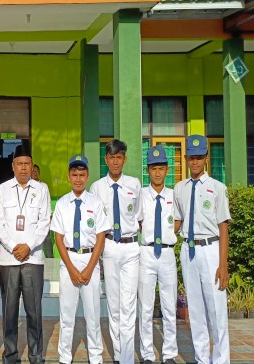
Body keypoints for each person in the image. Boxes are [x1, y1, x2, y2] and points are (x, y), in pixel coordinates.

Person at [174, 135, 231, 364]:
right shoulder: (180, 188)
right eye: (191, 157)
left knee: (216, 310)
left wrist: (223, 264)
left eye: (199, 157)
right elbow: (177, 221)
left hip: (210, 248)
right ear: (186, 158)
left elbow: (223, 226)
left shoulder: (217, 188)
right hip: (188, 250)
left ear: (206, 158)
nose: (195, 162)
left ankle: (221, 360)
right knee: (196, 311)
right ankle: (201, 359)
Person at [0, 144, 51, 364]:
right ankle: (10, 355)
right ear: (13, 166)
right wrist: (12, 247)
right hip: (9, 260)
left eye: (27, 164)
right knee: (9, 312)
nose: (24, 168)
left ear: (32, 165)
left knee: (34, 311)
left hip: (33, 259)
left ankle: (36, 355)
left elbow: (44, 223)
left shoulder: (41, 189)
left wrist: (29, 246)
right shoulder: (3, 189)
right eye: (20, 164)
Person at [52, 154, 108, 364]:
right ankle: (65, 357)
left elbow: (100, 237)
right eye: (74, 175)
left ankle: (96, 357)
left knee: (93, 315)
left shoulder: (95, 202)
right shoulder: (62, 204)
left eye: (82, 175)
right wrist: (72, 269)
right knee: (67, 315)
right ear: (68, 176)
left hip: (90, 260)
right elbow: (58, 239)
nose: (78, 179)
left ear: (88, 176)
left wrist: (89, 268)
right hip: (69, 261)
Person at [89, 139, 141, 364]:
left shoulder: (134, 184)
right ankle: (119, 354)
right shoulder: (97, 188)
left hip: (130, 247)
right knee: (114, 304)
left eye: (119, 157)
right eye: (112, 157)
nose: (116, 162)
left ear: (124, 159)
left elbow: (138, 215)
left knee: (128, 304)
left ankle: (127, 358)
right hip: (109, 246)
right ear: (106, 159)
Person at [136, 146, 179, 364]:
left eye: (161, 168)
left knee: (169, 306)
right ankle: (147, 354)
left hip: (167, 253)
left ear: (167, 170)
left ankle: (169, 353)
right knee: (145, 306)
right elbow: (137, 221)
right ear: (148, 170)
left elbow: (178, 221)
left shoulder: (173, 195)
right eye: (153, 169)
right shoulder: (142, 195)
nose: (157, 173)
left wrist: (168, 235)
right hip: (147, 253)